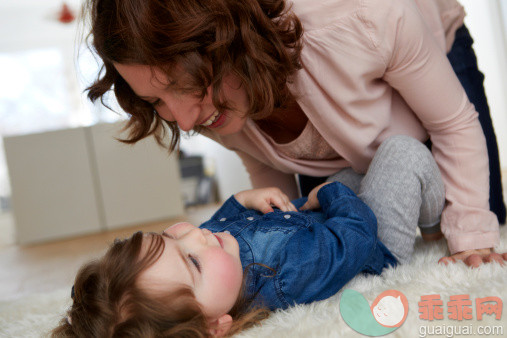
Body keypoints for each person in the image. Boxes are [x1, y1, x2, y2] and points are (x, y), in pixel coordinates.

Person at [83, 0, 506, 266]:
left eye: (182, 85)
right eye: (157, 101)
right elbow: (274, 188)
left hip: (426, 37)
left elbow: (452, 124)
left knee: (482, 232)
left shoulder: (366, 18)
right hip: (337, 110)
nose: (184, 121)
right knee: (328, 239)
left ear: (229, 43)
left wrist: (470, 236)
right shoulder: (204, 106)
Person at [52, 182, 397, 337]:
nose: (195, 235)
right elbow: (355, 237)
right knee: (401, 154)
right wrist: (333, 192)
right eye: (194, 263)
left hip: (320, 211)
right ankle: (431, 223)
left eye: (168, 236)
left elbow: (212, 226)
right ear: (215, 327)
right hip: (376, 242)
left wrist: (241, 200)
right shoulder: (284, 274)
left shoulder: (216, 261)